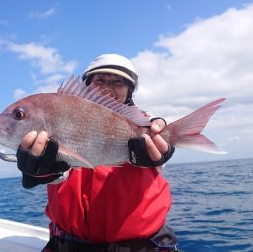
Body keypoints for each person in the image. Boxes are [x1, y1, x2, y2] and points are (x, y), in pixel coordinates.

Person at [16, 54, 179, 252]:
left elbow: (156, 130)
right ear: (86, 85)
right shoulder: (63, 117)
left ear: (129, 90)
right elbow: (62, 172)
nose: (108, 87)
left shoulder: (147, 125)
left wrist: (162, 145)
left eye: (118, 82)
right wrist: (40, 170)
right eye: (100, 80)